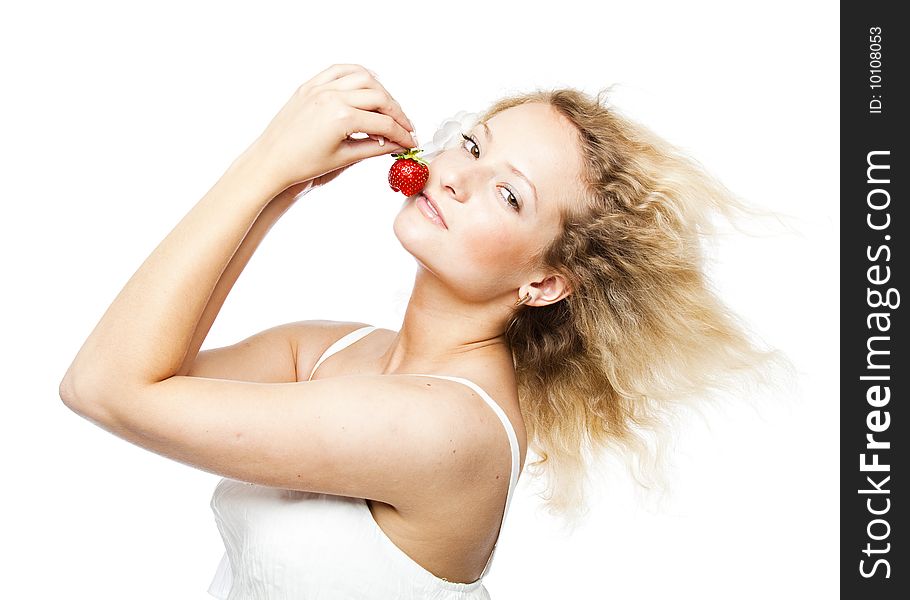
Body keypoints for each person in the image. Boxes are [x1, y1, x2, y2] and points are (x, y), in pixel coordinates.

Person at [59, 63, 793, 599]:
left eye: (509, 194)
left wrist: (264, 162)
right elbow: (145, 361)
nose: (457, 178)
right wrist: (287, 184)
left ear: (543, 283)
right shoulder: (330, 348)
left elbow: (103, 387)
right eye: (472, 146)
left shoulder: (448, 427)